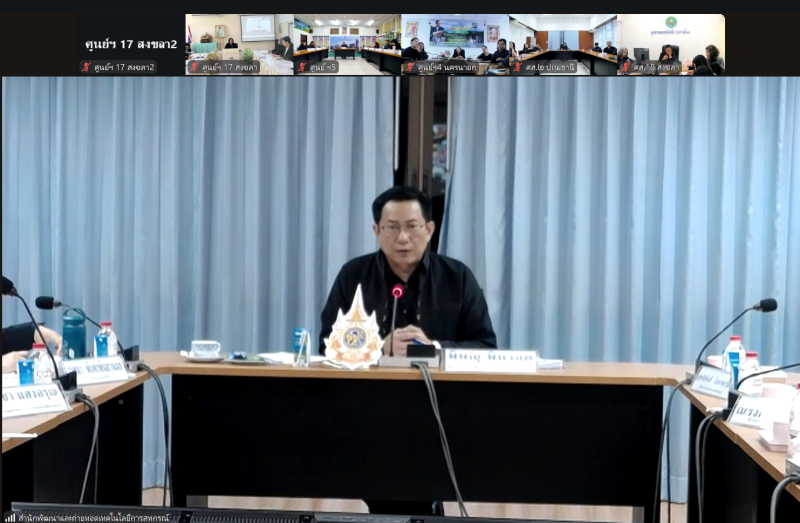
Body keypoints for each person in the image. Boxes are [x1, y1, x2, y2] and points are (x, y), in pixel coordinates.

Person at [319, 185, 497, 359]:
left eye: (412, 227)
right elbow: (327, 345)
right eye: (392, 228)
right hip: (373, 378)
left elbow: (486, 346)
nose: (403, 238)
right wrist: (377, 348)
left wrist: (434, 348)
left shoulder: (457, 277)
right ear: (377, 231)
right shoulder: (353, 275)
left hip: (437, 379)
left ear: (429, 230)